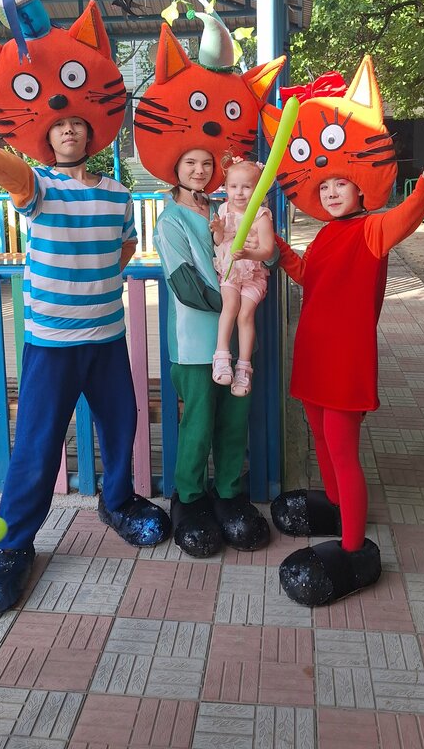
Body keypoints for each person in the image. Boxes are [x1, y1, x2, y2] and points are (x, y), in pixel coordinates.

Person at [0, 0, 170, 617]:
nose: (69, 131)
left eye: (77, 124)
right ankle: (13, 544)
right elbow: (11, 174)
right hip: (51, 343)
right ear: (47, 135)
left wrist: (95, 280)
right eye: (60, 126)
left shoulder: (118, 194)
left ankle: (118, 502)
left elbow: (125, 247)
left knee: (122, 424)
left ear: (93, 132)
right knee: (38, 446)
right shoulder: (37, 186)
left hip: (106, 338)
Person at [259, 57, 424, 606]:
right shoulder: (326, 235)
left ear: (361, 185)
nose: (333, 191)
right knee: (320, 437)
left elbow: (403, 219)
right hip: (314, 355)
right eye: (326, 185)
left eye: (342, 182)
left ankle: (351, 546)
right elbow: (308, 277)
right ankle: (339, 508)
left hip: (344, 363)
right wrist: (278, 249)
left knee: (342, 449)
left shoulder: (371, 230)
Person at [153, 149, 271, 556]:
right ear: (175, 168)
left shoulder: (228, 207)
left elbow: (266, 252)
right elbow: (184, 282)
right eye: (190, 163)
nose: (199, 170)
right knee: (199, 422)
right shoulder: (170, 220)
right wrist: (236, 302)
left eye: (206, 163)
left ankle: (228, 493)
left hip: (236, 342)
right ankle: (188, 496)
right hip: (194, 341)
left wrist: (260, 260)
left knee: (235, 419)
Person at [210, 156, 274, 396]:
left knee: (246, 314)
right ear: (226, 187)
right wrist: (218, 231)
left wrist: (248, 253)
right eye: (233, 186)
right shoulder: (223, 210)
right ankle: (221, 356)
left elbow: (267, 250)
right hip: (230, 270)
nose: (239, 193)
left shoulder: (261, 216)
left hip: (253, 275)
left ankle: (244, 368)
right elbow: (219, 242)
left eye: (246, 187)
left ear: (257, 189)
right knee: (230, 305)